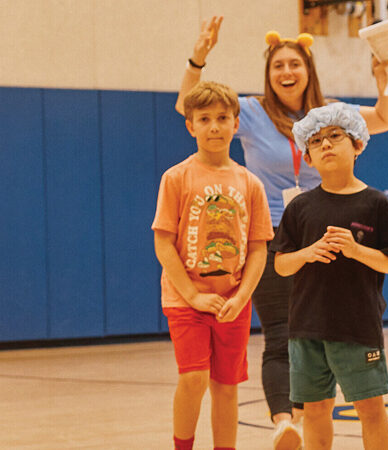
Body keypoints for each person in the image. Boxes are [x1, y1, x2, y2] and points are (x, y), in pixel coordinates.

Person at [175, 16, 388, 449]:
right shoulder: (253, 111)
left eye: (294, 64)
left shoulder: (331, 114)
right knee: (282, 333)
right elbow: (190, 103)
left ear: (308, 70)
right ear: (269, 73)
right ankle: (285, 423)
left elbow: (387, 117)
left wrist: (384, 79)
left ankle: (326, 406)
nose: (286, 73)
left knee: (338, 327)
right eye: (278, 65)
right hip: (274, 235)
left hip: (331, 232)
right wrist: (198, 57)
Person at [271, 102, 388, 450]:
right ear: (309, 157)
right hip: (306, 328)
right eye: (316, 141)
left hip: (357, 326)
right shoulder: (299, 207)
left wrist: (356, 250)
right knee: (315, 410)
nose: (326, 144)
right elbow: (281, 264)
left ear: (358, 144)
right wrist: (307, 253)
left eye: (335, 136)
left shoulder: (376, 204)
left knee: (370, 407)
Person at [153, 81, 274, 450]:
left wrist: (241, 297)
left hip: (232, 303)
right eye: (204, 119)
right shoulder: (176, 177)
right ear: (190, 125)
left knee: (226, 387)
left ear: (237, 123)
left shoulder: (250, 183)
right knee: (194, 379)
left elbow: (257, 249)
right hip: (185, 301)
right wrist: (191, 294)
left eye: (223, 118)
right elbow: (163, 243)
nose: (215, 127)